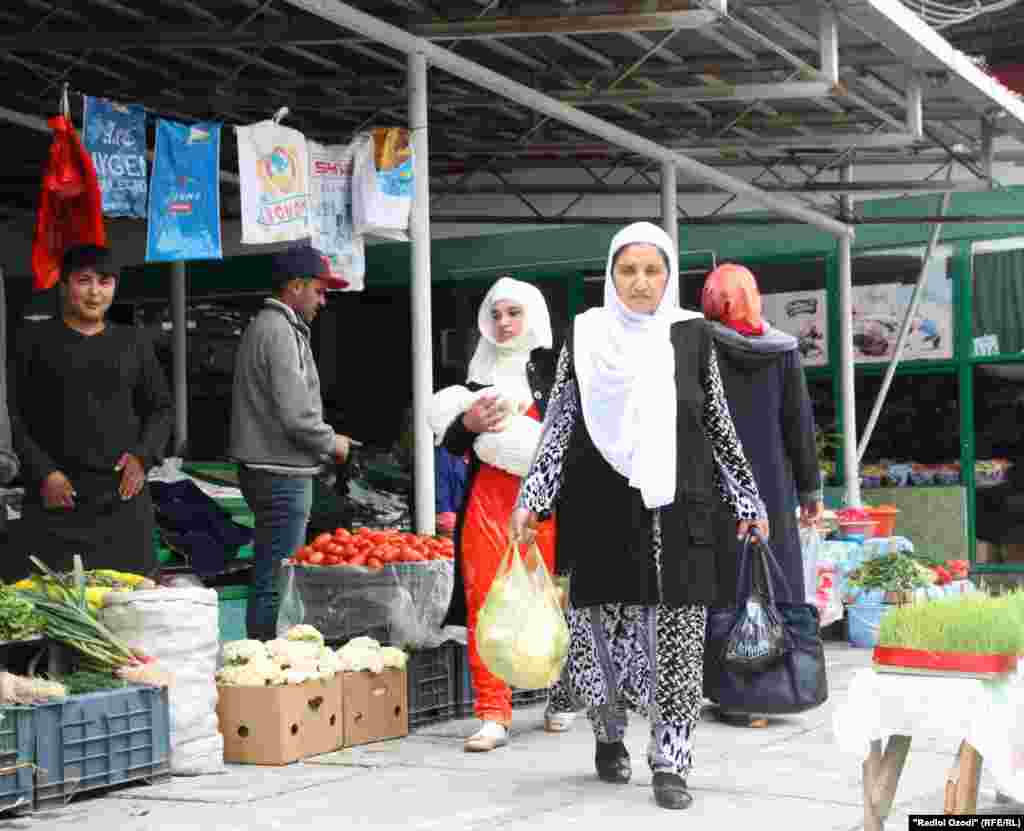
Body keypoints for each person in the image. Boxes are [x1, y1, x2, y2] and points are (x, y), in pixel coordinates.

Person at [510, 222, 768, 811]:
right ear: (610, 275)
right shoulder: (585, 335)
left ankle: (671, 760)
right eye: (628, 270)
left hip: (680, 508)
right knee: (603, 632)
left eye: (653, 270)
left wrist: (747, 500)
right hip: (600, 507)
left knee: (678, 636)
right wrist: (533, 498)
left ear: (670, 276)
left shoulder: (693, 336)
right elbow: (560, 424)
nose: (641, 282)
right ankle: (607, 733)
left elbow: (718, 424)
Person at [432, 277, 577, 753]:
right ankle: (493, 711)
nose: (504, 323)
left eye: (513, 313)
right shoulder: (475, 378)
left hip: (546, 504)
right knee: (485, 605)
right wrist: (467, 425)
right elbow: (454, 444)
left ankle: (562, 695)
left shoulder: (558, 369)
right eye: (495, 315)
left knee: (553, 598)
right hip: (487, 502)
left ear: (532, 314)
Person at [700, 263, 823, 727]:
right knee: (770, 589)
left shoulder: (701, 344)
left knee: (727, 589)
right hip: (771, 490)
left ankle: (732, 692)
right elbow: (799, 424)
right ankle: (771, 691)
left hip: (718, 489)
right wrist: (810, 489)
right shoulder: (783, 349)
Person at [8, 244, 173, 577]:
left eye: (105, 282)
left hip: (123, 504)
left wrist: (143, 457)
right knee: (56, 605)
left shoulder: (134, 343)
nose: (95, 293)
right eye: (84, 281)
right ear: (64, 285)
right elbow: (12, 414)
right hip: (55, 502)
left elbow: (161, 408)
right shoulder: (32, 341)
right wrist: (44, 472)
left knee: (129, 607)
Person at [230, 243, 354, 641]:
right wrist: (334, 443)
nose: (323, 300)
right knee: (276, 579)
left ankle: (262, 659)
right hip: (279, 473)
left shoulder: (273, 327)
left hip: (272, 469)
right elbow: (296, 415)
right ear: (295, 286)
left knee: (273, 573)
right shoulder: (279, 331)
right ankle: (264, 664)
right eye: (319, 290)